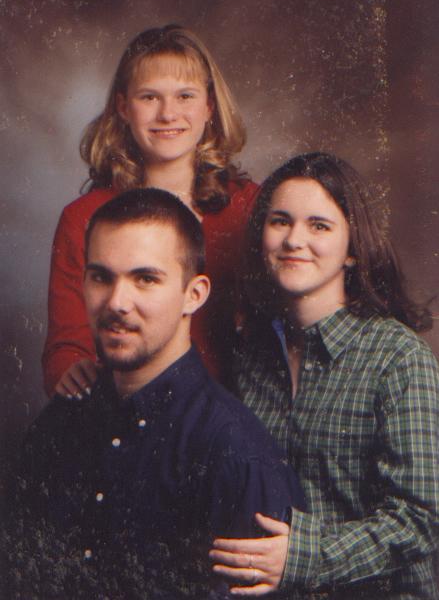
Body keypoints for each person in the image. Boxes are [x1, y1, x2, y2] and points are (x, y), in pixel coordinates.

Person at [6, 189, 304, 599]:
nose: (117, 302)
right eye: (101, 277)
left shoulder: (235, 452)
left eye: (145, 279)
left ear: (194, 295)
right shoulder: (58, 424)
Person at [209, 152, 439, 599]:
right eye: (280, 221)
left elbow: (421, 516)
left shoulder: (397, 357)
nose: (295, 239)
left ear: (353, 251)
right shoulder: (250, 355)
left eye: (319, 225)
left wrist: (302, 558)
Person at [42, 24, 258, 398]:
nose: (168, 114)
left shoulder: (249, 205)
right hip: (126, 409)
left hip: (232, 409)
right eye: (149, 97)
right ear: (124, 108)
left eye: (185, 96)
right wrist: (70, 367)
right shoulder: (83, 217)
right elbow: (67, 344)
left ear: (209, 107)